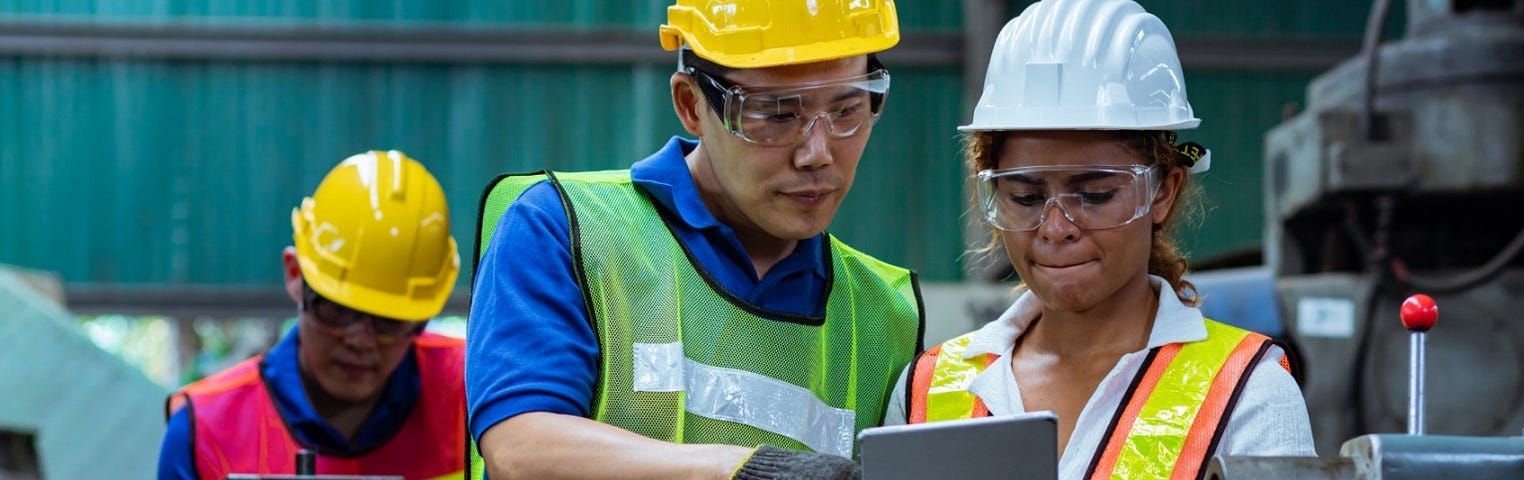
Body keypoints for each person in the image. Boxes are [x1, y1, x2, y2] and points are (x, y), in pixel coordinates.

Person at [465, 1, 923, 478]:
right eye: (775, 114)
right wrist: (743, 470)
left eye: (848, 110)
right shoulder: (568, 230)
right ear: (691, 105)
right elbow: (521, 450)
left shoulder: (883, 316)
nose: (817, 153)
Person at [882, 0, 1315, 478]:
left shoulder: (1247, 391)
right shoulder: (929, 389)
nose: (1056, 226)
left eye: (1094, 194)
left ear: (1162, 192)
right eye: (1025, 197)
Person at [157, 151, 466, 480]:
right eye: (337, 310)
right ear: (294, 274)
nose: (360, 341)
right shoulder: (207, 431)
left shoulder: (475, 392)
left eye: (389, 320)